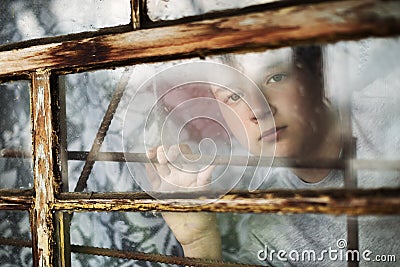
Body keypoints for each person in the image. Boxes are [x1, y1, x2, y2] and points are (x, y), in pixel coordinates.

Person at [145, 45, 399, 266]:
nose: (258, 109)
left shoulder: (391, 114)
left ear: (318, 72)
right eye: (233, 96)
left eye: (275, 77)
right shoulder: (264, 222)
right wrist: (199, 242)